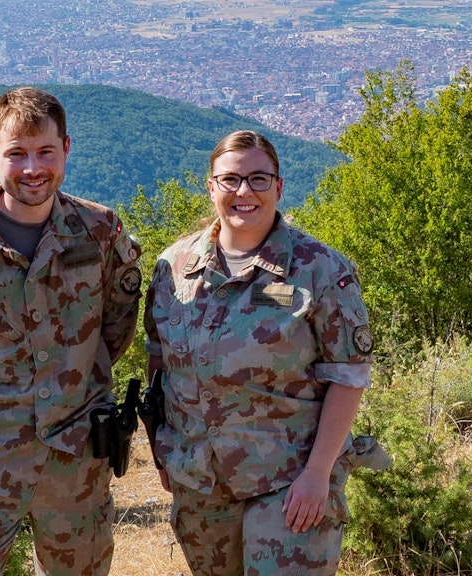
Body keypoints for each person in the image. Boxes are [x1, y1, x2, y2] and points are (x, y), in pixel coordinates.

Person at [0, 86, 142, 576]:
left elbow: (117, 326)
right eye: (17, 153)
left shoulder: (101, 232)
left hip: (77, 454)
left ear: (66, 150)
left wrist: (70, 382)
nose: (33, 168)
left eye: (45, 152)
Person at [142, 130, 388, 575]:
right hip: (200, 482)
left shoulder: (320, 269)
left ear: (278, 186)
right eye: (231, 180)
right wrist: (164, 452)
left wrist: (318, 475)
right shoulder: (174, 267)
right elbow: (160, 364)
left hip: (289, 479)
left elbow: (348, 376)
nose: (244, 192)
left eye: (258, 179)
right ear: (211, 186)